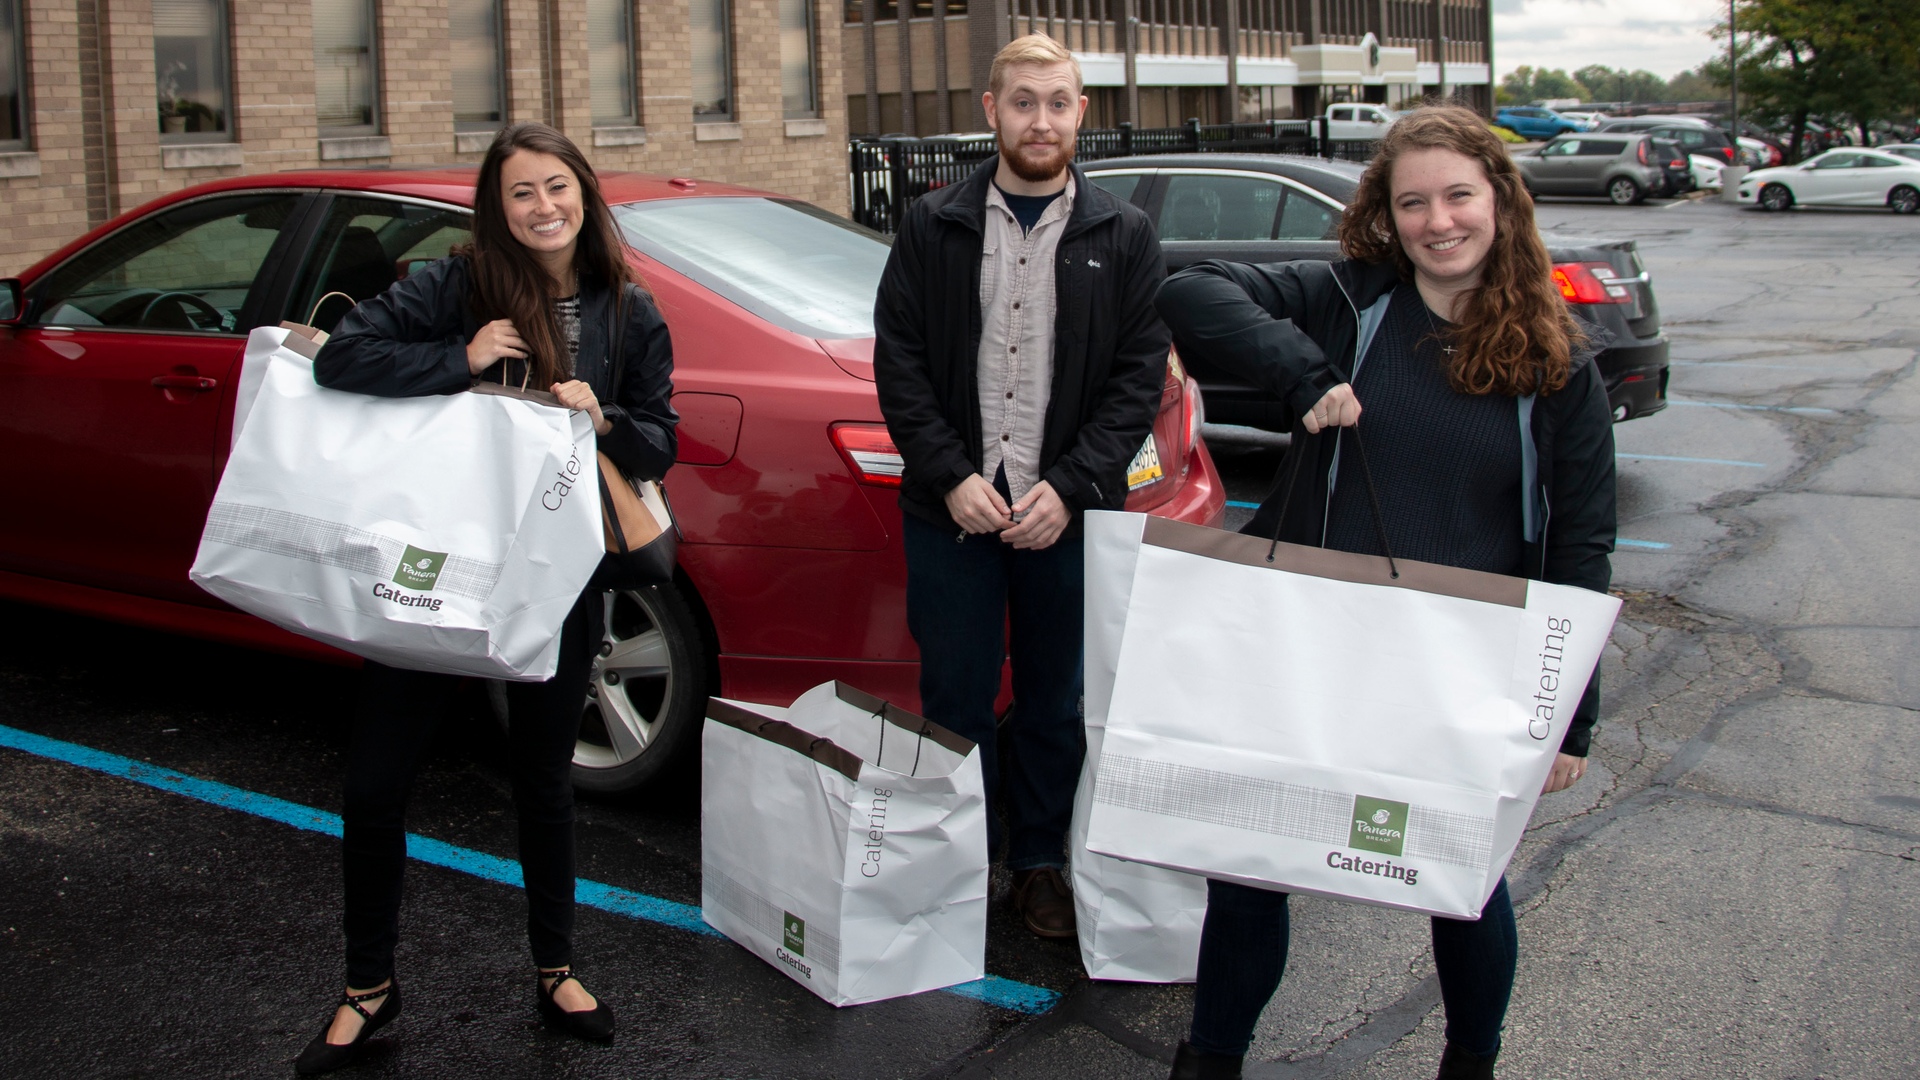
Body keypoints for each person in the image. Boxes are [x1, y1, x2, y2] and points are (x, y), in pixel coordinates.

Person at [1152, 105, 1616, 1080]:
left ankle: (1470, 1063)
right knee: (1248, 875)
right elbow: (1186, 290)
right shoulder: (1351, 302)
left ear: (1500, 200)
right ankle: (1210, 1062)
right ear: (1387, 214)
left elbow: (1581, 547)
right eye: (1413, 203)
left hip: (1455, 672)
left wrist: (1567, 719)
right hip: (1306, 648)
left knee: (1462, 888)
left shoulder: (1558, 365)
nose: (1438, 222)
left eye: (1458, 196)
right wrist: (1300, 373)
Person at [294, 122, 676, 1075]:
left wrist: (606, 417)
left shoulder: (630, 308)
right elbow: (340, 358)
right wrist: (458, 359)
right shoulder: (457, 285)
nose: (544, 207)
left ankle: (557, 970)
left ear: (583, 193)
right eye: (522, 193)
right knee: (375, 782)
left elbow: (661, 441)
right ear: (497, 209)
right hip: (441, 561)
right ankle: (367, 989)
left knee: (544, 779)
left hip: (556, 570)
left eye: (558, 187)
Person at [871, 34, 1171, 939]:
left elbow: (1137, 381)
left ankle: (1039, 862)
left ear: (1081, 113)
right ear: (992, 111)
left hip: (1065, 516)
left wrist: (1071, 488)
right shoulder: (932, 224)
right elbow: (900, 364)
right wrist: (951, 476)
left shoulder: (1124, 233)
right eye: (1023, 102)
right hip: (952, 513)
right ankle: (962, 863)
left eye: (1057, 102)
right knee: (955, 700)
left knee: (1053, 702)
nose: (1041, 120)